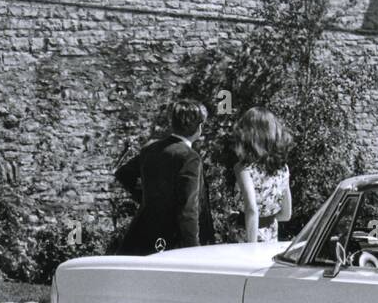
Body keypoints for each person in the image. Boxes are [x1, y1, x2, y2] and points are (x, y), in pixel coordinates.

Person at [114, 99, 215, 254]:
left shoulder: (152, 149)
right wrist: (194, 250)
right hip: (174, 239)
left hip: (145, 231)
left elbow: (124, 174)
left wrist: (149, 198)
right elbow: (188, 209)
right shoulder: (189, 158)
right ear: (199, 127)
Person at [231, 107, 292, 243]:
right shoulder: (282, 168)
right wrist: (268, 219)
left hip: (246, 237)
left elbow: (251, 209)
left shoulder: (244, 169)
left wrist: (252, 246)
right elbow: (286, 214)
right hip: (271, 235)